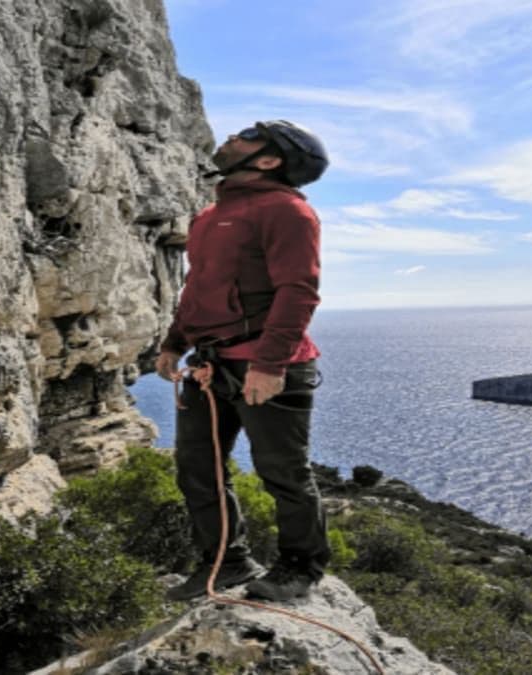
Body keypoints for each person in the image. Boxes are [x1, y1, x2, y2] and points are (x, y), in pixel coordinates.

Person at [155, 120, 331, 602]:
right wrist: (173, 343)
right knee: (198, 468)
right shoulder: (210, 216)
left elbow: (298, 291)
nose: (235, 136)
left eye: (250, 135)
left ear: (269, 160)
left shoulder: (289, 211)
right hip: (211, 365)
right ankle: (227, 563)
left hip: (266, 364)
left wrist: (270, 365)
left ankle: (301, 568)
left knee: (284, 473)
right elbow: (197, 289)